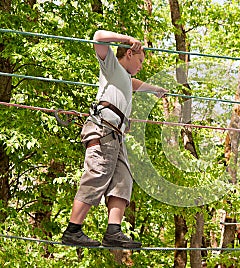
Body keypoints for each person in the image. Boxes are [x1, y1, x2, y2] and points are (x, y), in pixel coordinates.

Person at [61, 30, 167, 248]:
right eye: (140, 60)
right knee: (97, 174)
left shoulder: (124, 78)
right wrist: (127, 39)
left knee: (123, 180)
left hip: (115, 137)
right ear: (129, 53)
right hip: (102, 131)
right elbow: (98, 36)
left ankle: (113, 231)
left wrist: (154, 89)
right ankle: (73, 230)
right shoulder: (111, 66)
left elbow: (133, 84)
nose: (141, 66)